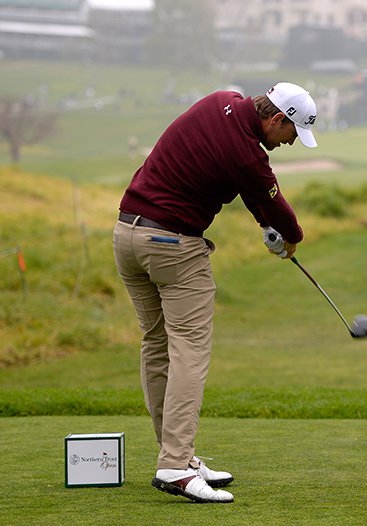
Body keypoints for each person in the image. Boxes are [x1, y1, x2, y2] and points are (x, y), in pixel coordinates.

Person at [112, 82, 318, 503]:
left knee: (157, 344)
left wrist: (265, 222)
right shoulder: (249, 157)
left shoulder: (220, 100)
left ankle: (177, 457)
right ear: (276, 118)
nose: (291, 141)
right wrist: (291, 237)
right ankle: (175, 465)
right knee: (188, 349)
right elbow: (271, 202)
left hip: (127, 236)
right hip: (172, 245)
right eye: (292, 132)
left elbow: (248, 188)